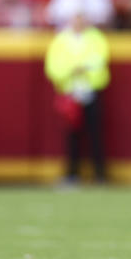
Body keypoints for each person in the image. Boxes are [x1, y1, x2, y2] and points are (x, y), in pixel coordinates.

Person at [44, 12, 110, 184]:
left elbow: (99, 60)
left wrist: (80, 68)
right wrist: (72, 71)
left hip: (90, 90)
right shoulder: (61, 40)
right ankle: (71, 173)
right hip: (70, 92)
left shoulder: (96, 38)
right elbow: (53, 66)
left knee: (96, 132)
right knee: (71, 135)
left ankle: (100, 173)